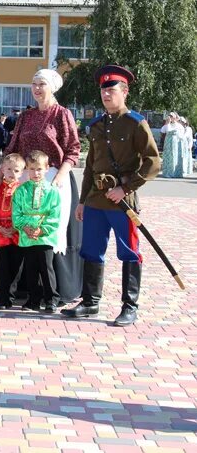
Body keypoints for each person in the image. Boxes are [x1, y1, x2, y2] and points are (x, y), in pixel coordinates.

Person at [63, 65, 160, 326]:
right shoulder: (96, 126)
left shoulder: (136, 123)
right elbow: (91, 167)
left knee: (129, 252)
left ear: (125, 92)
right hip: (96, 200)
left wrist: (126, 188)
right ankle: (90, 302)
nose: (106, 95)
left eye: (112, 90)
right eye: (104, 90)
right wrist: (82, 201)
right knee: (91, 251)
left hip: (122, 203)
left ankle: (130, 306)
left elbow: (153, 162)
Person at [0, 69, 82, 305]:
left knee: (51, 233)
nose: (36, 88)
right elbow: (12, 149)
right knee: (26, 232)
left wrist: (60, 177)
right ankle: (29, 290)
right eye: (33, 84)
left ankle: (57, 291)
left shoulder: (62, 114)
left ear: (52, 87)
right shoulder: (25, 116)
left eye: (41, 84)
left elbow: (73, 148)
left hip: (55, 178)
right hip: (26, 181)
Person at [12, 151, 61, 313]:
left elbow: (55, 215)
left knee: (46, 268)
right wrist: (25, 227)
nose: (35, 173)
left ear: (47, 168)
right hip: (27, 236)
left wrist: (42, 230)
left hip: (45, 237)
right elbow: (16, 213)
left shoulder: (52, 191)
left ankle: (51, 300)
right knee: (31, 269)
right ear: (27, 170)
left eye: (39, 169)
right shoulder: (21, 191)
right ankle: (33, 299)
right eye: (32, 169)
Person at [0, 153, 25, 309]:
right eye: (8, 169)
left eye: (16, 170)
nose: (12, 173)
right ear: (2, 169)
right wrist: (0, 228)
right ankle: (3, 298)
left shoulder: (23, 190)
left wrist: (16, 227)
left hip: (17, 233)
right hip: (1, 233)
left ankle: (12, 294)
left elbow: (25, 211)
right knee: (2, 265)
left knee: (16, 266)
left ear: (22, 173)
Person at [161, 113, 186, 178]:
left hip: (175, 142)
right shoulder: (168, 125)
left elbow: (182, 134)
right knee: (168, 156)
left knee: (174, 156)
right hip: (168, 142)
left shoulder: (178, 125)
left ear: (174, 117)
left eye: (171, 116)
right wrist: (167, 123)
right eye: (169, 116)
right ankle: (168, 173)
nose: (170, 118)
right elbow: (163, 131)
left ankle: (174, 173)